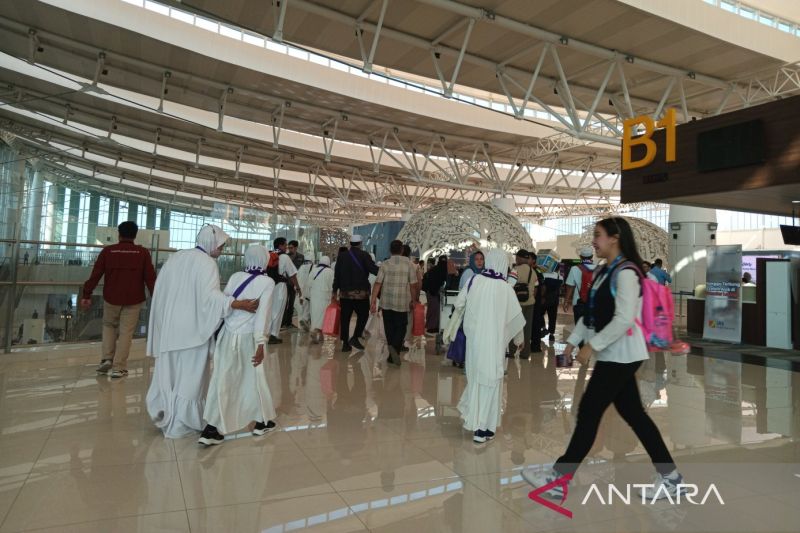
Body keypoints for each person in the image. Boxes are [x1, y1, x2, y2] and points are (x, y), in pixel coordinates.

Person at [522, 217, 684, 501]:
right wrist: (573, 342)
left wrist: (591, 346)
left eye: (598, 235)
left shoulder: (627, 273)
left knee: (588, 412)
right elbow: (593, 315)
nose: (593, 241)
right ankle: (671, 477)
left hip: (623, 355)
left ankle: (559, 477)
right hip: (614, 354)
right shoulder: (603, 271)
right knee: (634, 415)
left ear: (615, 238)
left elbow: (623, 319)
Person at [146, 225, 259, 439]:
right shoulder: (207, 263)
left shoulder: (177, 257)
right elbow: (210, 298)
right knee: (191, 376)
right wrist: (236, 304)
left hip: (170, 327)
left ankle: (167, 414)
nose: (222, 250)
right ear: (211, 243)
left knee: (170, 373)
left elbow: (160, 290)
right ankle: (182, 422)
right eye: (221, 245)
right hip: (192, 329)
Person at [199, 245, 278, 446]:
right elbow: (264, 315)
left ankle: (211, 428)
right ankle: (261, 422)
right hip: (249, 338)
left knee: (222, 377)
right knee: (255, 378)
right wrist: (261, 344)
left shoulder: (235, 277)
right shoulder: (267, 282)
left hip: (227, 335)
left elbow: (224, 303)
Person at [453, 249, 525, 443]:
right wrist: (519, 339)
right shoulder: (505, 288)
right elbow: (515, 318)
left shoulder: (474, 281)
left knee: (477, 380)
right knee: (492, 382)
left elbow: (459, 304)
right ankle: (483, 428)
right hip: (494, 345)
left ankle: (477, 423)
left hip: (475, 344)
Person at [81, 221, 156, 378]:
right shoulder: (142, 253)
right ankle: (119, 367)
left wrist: (87, 294)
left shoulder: (108, 251)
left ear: (119, 234)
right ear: (135, 235)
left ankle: (106, 359)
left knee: (109, 326)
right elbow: (150, 278)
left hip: (111, 297)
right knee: (126, 332)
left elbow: (96, 274)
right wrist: (156, 297)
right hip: (134, 299)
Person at [370, 240, 419, 366]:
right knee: (401, 327)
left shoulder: (385, 264)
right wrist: (414, 300)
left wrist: (373, 301)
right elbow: (414, 285)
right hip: (402, 302)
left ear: (390, 250)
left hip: (386, 302)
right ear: (402, 250)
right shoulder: (409, 264)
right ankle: (394, 349)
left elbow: (377, 283)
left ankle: (392, 351)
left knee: (389, 327)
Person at [332, 234, 378, 352]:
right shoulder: (364, 255)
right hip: (361, 294)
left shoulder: (342, 256)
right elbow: (374, 270)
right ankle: (356, 336)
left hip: (345, 294)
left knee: (345, 318)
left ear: (350, 243)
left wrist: (334, 291)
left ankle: (345, 344)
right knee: (363, 315)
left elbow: (337, 275)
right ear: (360, 243)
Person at [266, 237, 301, 344]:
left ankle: (267, 332)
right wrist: (298, 287)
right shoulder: (285, 257)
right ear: (280, 245)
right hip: (280, 286)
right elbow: (292, 275)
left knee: (270, 309)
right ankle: (273, 335)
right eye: (285, 245)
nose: (287, 247)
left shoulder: (269, 254)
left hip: (269, 285)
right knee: (278, 310)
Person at [510, 250, 536, 359]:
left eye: (517, 257)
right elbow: (535, 288)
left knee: (514, 327)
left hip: (517, 304)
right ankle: (525, 353)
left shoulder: (515, 270)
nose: (516, 259)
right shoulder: (533, 271)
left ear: (521, 258)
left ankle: (512, 351)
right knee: (527, 328)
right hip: (530, 303)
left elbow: (509, 285)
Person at [563, 246, 597, 326]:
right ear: (592, 256)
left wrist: (566, 302)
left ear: (580, 257)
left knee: (579, 329)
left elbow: (570, 287)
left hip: (579, 304)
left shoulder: (575, 268)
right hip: (594, 303)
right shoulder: (598, 268)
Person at [308, 256, 334, 343]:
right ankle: (317, 331)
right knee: (323, 315)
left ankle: (317, 332)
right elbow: (332, 285)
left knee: (314, 314)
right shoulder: (330, 272)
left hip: (314, 295)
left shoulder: (314, 270)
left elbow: (309, 283)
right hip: (325, 296)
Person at [282, 240, 305, 329]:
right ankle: (282, 322)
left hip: (295, 283)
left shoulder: (301, 257)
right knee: (284, 303)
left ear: (296, 248)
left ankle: (289, 322)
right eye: (288, 247)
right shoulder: (285, 257)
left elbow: (302, 271)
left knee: (291, 303)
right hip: (285, 282)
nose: (289, 249)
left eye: (291, 248)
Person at [423, 255, 448, 335]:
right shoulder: (440, 270)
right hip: (432, 292)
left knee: (434, 309)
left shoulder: (436, 269)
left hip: (432, 292)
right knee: (434, 309)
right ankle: (432, 327)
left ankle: (433, 326)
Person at [529, 253, 547, 352]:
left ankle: (535, 345)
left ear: (534, 260)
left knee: (535, 322)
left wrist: (542, 297)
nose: (527, 260)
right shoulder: (531, 270)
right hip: (535, 300)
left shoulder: (537, 270)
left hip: (536, 300)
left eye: (529, 258)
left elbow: (543, 286)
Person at [542, 269, 563, 341]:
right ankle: (551, 334)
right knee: (552, 317)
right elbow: (559, 288)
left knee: (540, 315)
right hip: (554, 300)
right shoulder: (560, 277)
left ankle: (544, 328)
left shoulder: (544, 274)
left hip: (544, 299)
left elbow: (543, 287)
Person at [296, 258, 314, 330]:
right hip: (306, 292)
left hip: (299, 292)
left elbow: (296, 279)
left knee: (300, 311)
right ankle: (305, 320)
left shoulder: (300, 268)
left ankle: (301, 326)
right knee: (307, 308)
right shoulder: (312, 268)